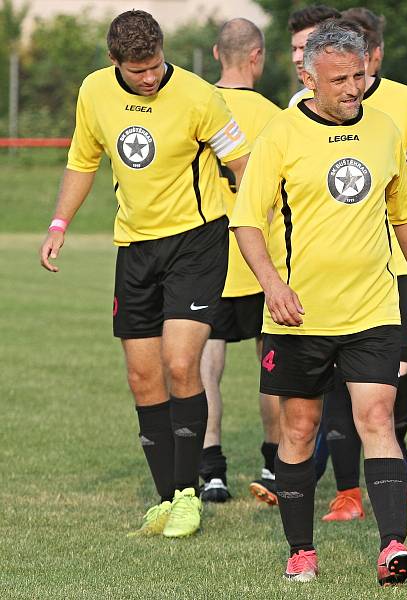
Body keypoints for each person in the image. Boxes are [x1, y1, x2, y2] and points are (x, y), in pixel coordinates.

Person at [230, 21, 407, 585]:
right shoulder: (280, 136)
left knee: (377, 418)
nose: (354, 88)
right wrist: (273, 284)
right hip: (301, 316)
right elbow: (247, 220)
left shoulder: (387, 130)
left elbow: (406, 215)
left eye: (361, 76)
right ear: (307, 76)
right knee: (299, 428)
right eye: (341, 79)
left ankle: (393, 547)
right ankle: (301, 550)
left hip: (372, 309)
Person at [38, 10, 250, 537]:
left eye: (155, 66)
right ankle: (165, 498)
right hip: (134, 247)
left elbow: (245, 166)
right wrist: (59, 223)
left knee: (182, 364)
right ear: (115, 62)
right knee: (142, 377)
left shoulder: (200, 96)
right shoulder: (93, 92)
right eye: (138, 71)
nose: (150, 77)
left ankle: (188, 493)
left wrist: (264, 233)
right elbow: (83, 161)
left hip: (197, 242)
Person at [315, 8, 407, 523]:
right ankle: (347, 490)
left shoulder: (405, 103)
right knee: (335, 378)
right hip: (329, 273)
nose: (352, 79)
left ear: (373, 55)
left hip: (396, 267)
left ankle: (398, 467)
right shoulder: (306, 107)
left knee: (395, 380)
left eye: (360, 64)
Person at [246, 4, 342, 501]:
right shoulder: (286, 119)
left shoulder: (376, 113)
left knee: (375, 397)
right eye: (297, 50)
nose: (302, 59)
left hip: (369, 279)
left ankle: (393, 481)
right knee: (307, 403)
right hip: (302, 285)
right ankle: (292, 480)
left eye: (310, 48)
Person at [197, 19, 282, 503]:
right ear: (258, 57)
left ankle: (211, 471)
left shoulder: (198, 106)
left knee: (208, 367)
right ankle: (273, 467)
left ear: (215, 53)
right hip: (262, 259)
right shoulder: (274, 117)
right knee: (270, 366)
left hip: (206, 258)